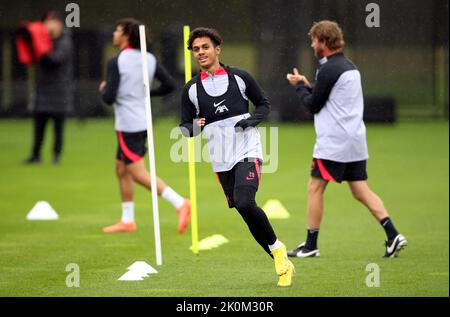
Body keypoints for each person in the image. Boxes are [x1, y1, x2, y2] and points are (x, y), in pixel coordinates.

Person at [180, 27, 294, 287]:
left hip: (247, 150)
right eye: (196, 49)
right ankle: (282, 260)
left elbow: (263, 104)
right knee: (245, 213)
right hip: (220, 159)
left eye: (205, 47)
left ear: (217, 49)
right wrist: (195, 126)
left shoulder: (240, 77)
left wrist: (249, 122)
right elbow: (185, 128)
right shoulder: (191, 90)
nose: (200, 53)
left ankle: (277, 251)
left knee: (245, 202)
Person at [286, 20, 407, 258]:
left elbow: (313, 105)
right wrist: (306, 84)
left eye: (314, 40)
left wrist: (299, 88)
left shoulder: (328, 68)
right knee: (360, 190)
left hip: (334, 142)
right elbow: (328, 96)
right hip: (354, 140)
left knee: (315, 187)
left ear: (324, 42)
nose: (311, 45)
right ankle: (393, 235)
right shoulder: (348, 66)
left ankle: (310, 246)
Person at [99, 18, 190, 234]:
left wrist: (103, 89)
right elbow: (169, 85)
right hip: (142, 121)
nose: (114, 33)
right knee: (121, 169)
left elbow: (109, 98)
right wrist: (146, 94)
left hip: (128, 125)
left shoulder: (116, 61)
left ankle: (180, 203)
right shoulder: (149, 59)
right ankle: (127, 220)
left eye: (117, 30)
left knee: (138, 173)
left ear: (126, 36)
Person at [25, 11, 73, 165]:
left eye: (49, 22)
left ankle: (56, 157)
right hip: (43, 91)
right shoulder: (43, 40)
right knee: (39, 127)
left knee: (58, 128)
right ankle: (35, 155)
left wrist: (42, 50)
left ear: (58, 24)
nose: (46, 25)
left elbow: (55, 59)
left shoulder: (65, 41)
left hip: (59, 92)